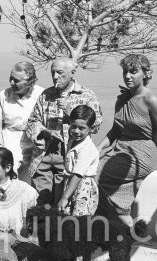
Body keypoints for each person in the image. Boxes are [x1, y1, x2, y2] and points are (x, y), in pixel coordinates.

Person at [96, 54, 157, 236]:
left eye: (133, 72)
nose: (128, 76)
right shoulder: (122, 99)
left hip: (141, 153)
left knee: (93, 176)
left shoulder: (152, 101)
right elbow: (115, 132)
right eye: (125, 71)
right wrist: (96, 150)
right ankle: (132, 234)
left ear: (146, 74)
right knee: (107, 193)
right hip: (120, 149)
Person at [27, 57, 102, 206]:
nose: (55, 77)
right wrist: (44, 132)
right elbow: (32, 121)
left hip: (69, 158)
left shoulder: (86, 95)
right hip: (44, 155)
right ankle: (39, 229)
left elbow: (96, 125)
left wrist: (70, 113)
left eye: (60, 73)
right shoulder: (46, 94)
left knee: (62, 204)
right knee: (41, 203)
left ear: (72, 73)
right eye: (53, 72)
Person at [0, 61, 44, 181]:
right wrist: (0, 146)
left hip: (32, 139)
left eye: (17, 80)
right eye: (11, 78)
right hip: (8, 137)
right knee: (5, 166)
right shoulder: (3, 95)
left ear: (30, 82)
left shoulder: (41, 94)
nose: (12, 83)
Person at [56, 105, 100, 218]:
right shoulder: (74, 140)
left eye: (81, 128)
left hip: (83, 187)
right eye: (73, 126)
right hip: (71, 184)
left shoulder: (86, 148)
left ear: (91, 129)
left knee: (80, 220)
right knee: (67, 217)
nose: (76, 131)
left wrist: (65, 197)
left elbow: (78, 174)